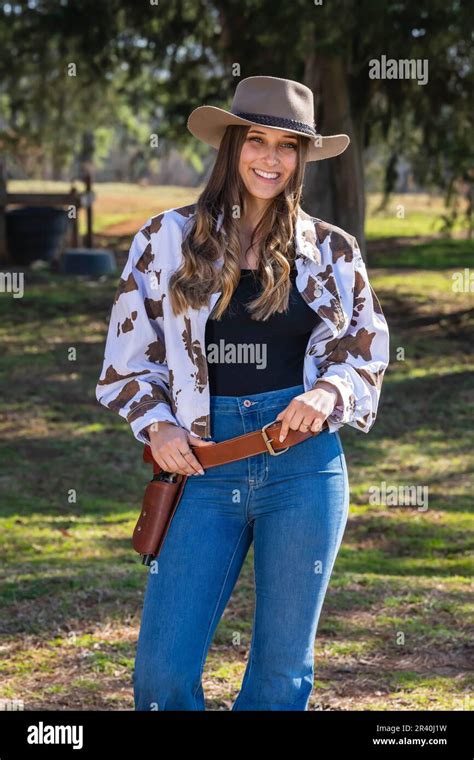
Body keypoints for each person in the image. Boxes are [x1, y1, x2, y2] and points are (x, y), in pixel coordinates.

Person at [95, 75, 390, 711]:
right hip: (202, 463)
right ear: (232, 145)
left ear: (302, 158)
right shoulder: (164, 240)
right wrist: (159, 426)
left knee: (281, 677)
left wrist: (328, 394)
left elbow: (365, 355)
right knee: (161, 677)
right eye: (257, 139)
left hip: (304, 465)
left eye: (289, 146)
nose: (271, 158)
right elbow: (126, 362)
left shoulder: (334, 252)